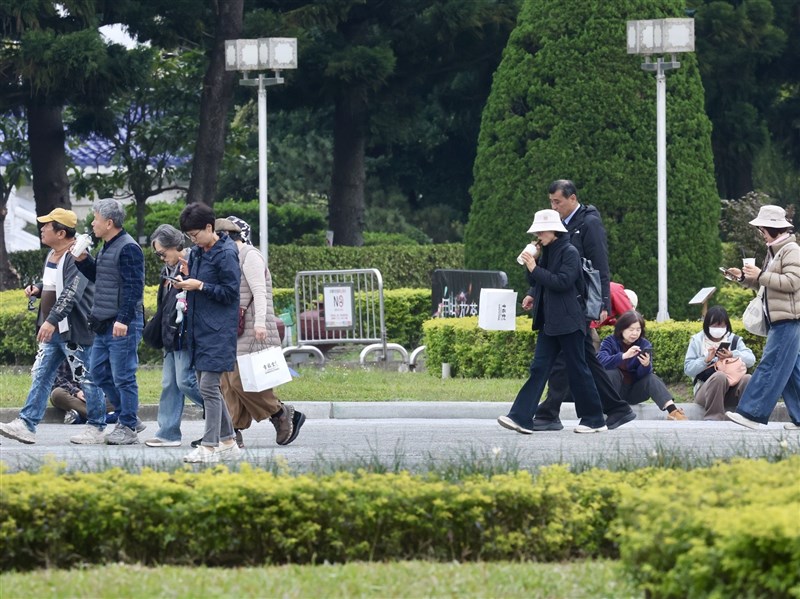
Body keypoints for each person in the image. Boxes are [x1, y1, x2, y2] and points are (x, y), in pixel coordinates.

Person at [530, 180, 636, 431]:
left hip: (578, 303)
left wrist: (603, 303)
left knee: (565, 359)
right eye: (551, 202)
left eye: (558, 202)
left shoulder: (589, 223)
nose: (553, 207)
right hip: (561, 302)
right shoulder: (559, 226)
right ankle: (617, 409)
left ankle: (548, 413)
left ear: (573, 199)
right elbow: (549, 265)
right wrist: (533, 291)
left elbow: (600, 264)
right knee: (583, 358)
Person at [498, 209, 607, 434]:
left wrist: (534, 268)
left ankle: (595, 419)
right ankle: (520, 417)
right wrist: (533, 266)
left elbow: (562, 282)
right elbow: (537, 281)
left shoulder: (570, 251)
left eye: (542, 230)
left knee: (578, 369)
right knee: (539, 368)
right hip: (550, 322)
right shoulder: (546, 251)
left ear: (554, 231)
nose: (538, 234)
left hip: (569, 321)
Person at [0, 208, 103, 444]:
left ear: (61, 232)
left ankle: (97, 427)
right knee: (42, 375)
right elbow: (53, 282)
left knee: (87, 378)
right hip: (55, 331)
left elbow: (70, 294)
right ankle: (26, 423)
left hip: (74, 331)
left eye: (47, 226)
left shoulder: (78, 255)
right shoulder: (53, 254)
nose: (42, 229)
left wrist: (50, 321)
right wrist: (38, 287)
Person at [216, 217, 305, 448]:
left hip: (251, 327)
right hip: (230, 326)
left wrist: (260, 324)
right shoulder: (227, 257)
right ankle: (232, 432)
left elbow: (260, 291)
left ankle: (280, 412)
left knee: (239, 379)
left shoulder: (249, 255)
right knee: (226, 381)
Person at [70, 199, 145, 445]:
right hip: (103, 323)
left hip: (121, 323)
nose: (92, 223)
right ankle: (129, 414)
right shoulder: (107, 245)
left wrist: (123, 319)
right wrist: (82, 261)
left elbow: (134, 287)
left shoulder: (128, 248)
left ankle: (128, 425)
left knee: (123, 376)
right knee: (100, 373)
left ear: (109, 222)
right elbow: (100, 277)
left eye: (96, 219)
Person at [174, 202, 242, 462]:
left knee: (209, 388)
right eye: (190, 237)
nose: (194, 241)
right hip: (198, 329)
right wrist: (187, 278)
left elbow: (230, 292)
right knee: (208, 389)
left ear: (209, 227)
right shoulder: (198, 253)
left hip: (218, 331)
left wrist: (200, 285)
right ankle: (228, 442)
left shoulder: (226, 253)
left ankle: (210, 446)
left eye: (195, 235)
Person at [723, 205, 800, 430]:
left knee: (771, 365)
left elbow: (793, 282)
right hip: (782, 319)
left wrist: (761, 275)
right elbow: (764, 283)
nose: (761, 233)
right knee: (791, 370)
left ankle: (752, 414)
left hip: (788, 319)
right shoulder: (775, 250)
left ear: (772, 228)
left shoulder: (791, 249)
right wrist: (741, 278)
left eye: (762, 229)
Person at [143, 224, 204, 447]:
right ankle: (168, 433)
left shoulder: (193, 263)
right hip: (171, 333)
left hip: (185, 333)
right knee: (170, 383)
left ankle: (225, 414)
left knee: (186, 381)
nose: (161, 258)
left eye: (162, 253)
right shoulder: (169, 269)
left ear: (176, 246)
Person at [598, 310, 687, 420]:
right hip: (613, 391)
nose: (635, 333)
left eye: (638, 330)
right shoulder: (610, 341)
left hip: (633, 391)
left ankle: (673, 411)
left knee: (652, 378)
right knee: (612, 373)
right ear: (621, 329)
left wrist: (645, 365)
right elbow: (600, 362)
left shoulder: (644, 344)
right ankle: (605, 410)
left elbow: (642, 376)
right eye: (631, 329)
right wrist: (623, 356)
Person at [684, 306, 756, 421]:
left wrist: (732, 354)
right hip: (705, 392)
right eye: (714, 326)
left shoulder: (734, 340)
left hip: (732, 390)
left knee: (747, 378)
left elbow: (751, 360)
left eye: (722, 326)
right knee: (719, 376)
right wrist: (706, 360)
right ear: (707, 325)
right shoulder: (697, 340)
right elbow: (688, 369)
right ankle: (714, 418)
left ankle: (747, 416)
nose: (718, 329)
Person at [49, 359, 116, 424]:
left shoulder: (98, 352)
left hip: (97, 398)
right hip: (73, 398)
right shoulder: (65, 353)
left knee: (119, 395)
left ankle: (81, 417)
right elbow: (59, 381)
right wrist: (76, 392)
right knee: (57, 394)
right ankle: (105, 418)